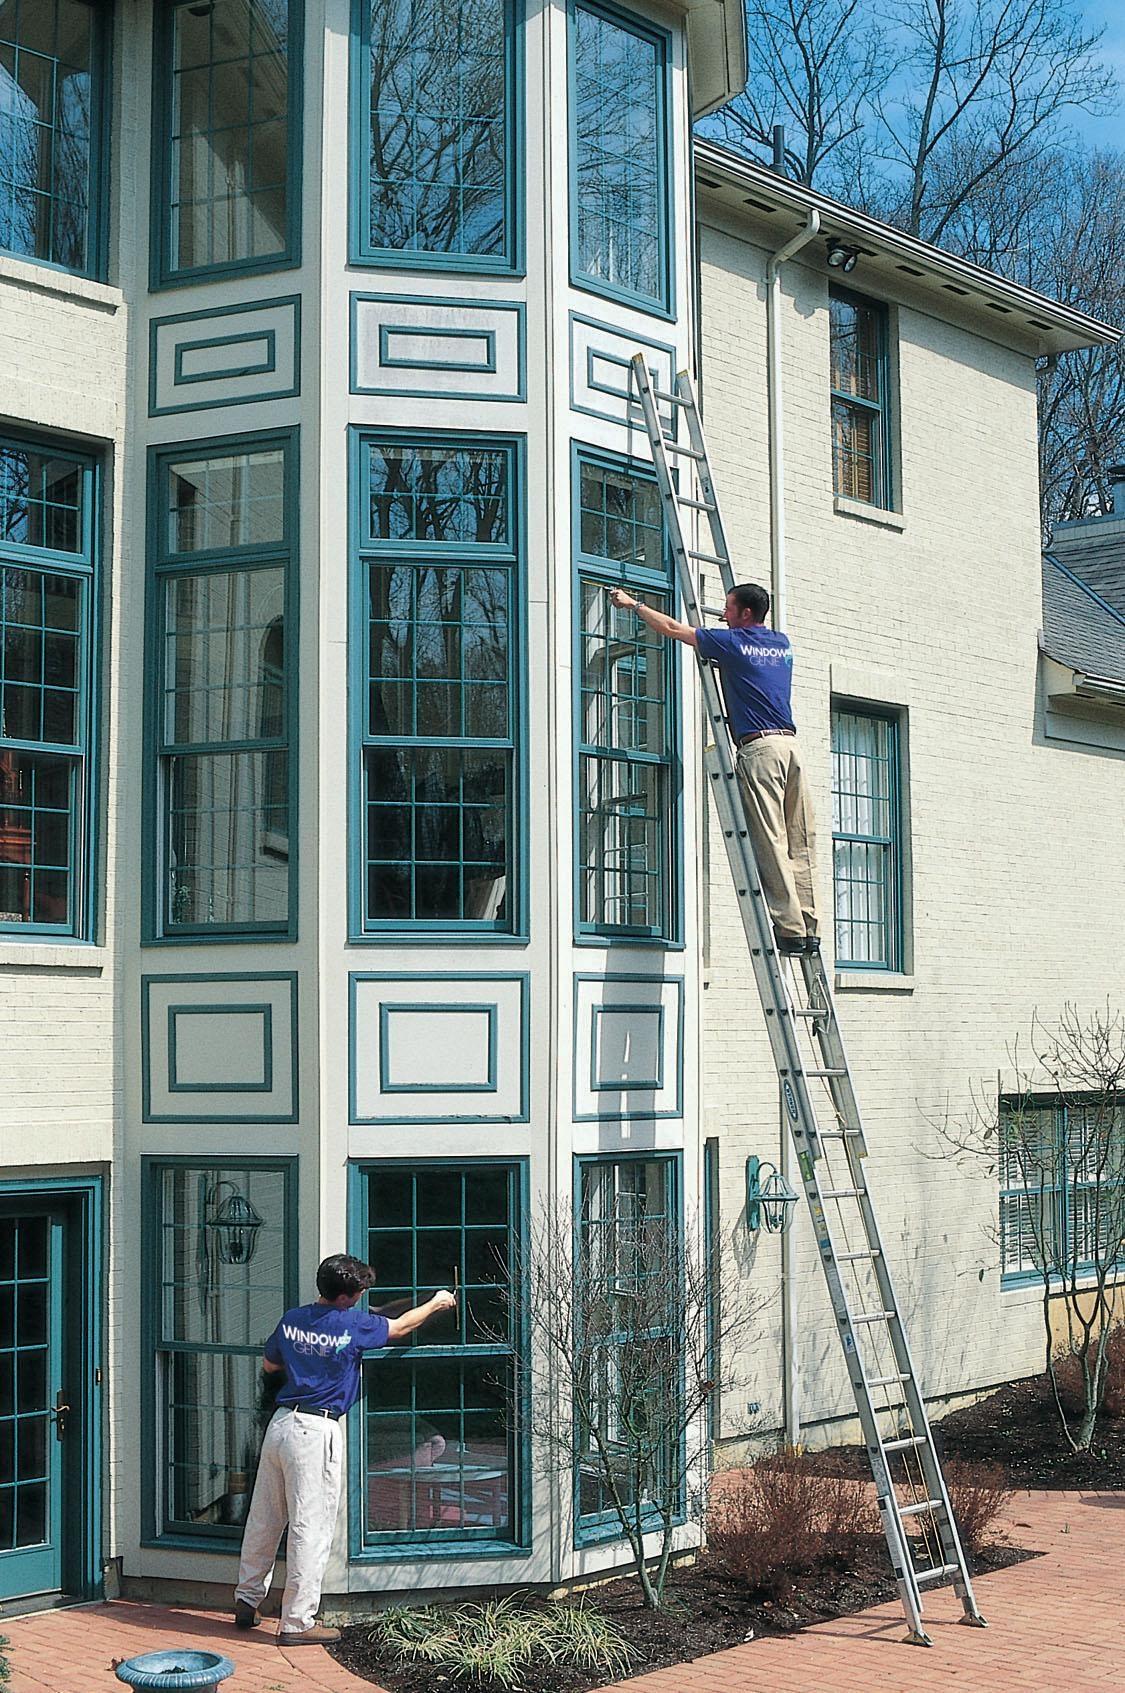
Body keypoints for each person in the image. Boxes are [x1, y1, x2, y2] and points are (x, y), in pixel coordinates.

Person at [233, 1253, 457, 1645]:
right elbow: (400, 1329)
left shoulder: (293, 1319)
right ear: (345, 1297)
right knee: (311, 1527)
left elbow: (271, 1367)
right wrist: (439, 1302)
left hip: (281, 1425)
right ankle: (297, 1623)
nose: (360, 1299)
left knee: (265, 1518)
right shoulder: (354, 1324)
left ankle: (247, 1600)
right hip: (317, 1432)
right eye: (358, 1293)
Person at [607, 580, 818, 955]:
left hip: (761, 750)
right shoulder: (782, 644)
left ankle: (789, 930)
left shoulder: (732, 644)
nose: (722, 614)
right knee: (799, 842)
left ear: (746, 613)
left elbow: (674, 630)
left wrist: (633, 605)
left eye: (729, 609)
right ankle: (808, 925)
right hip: (791, 748)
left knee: (770, 841)